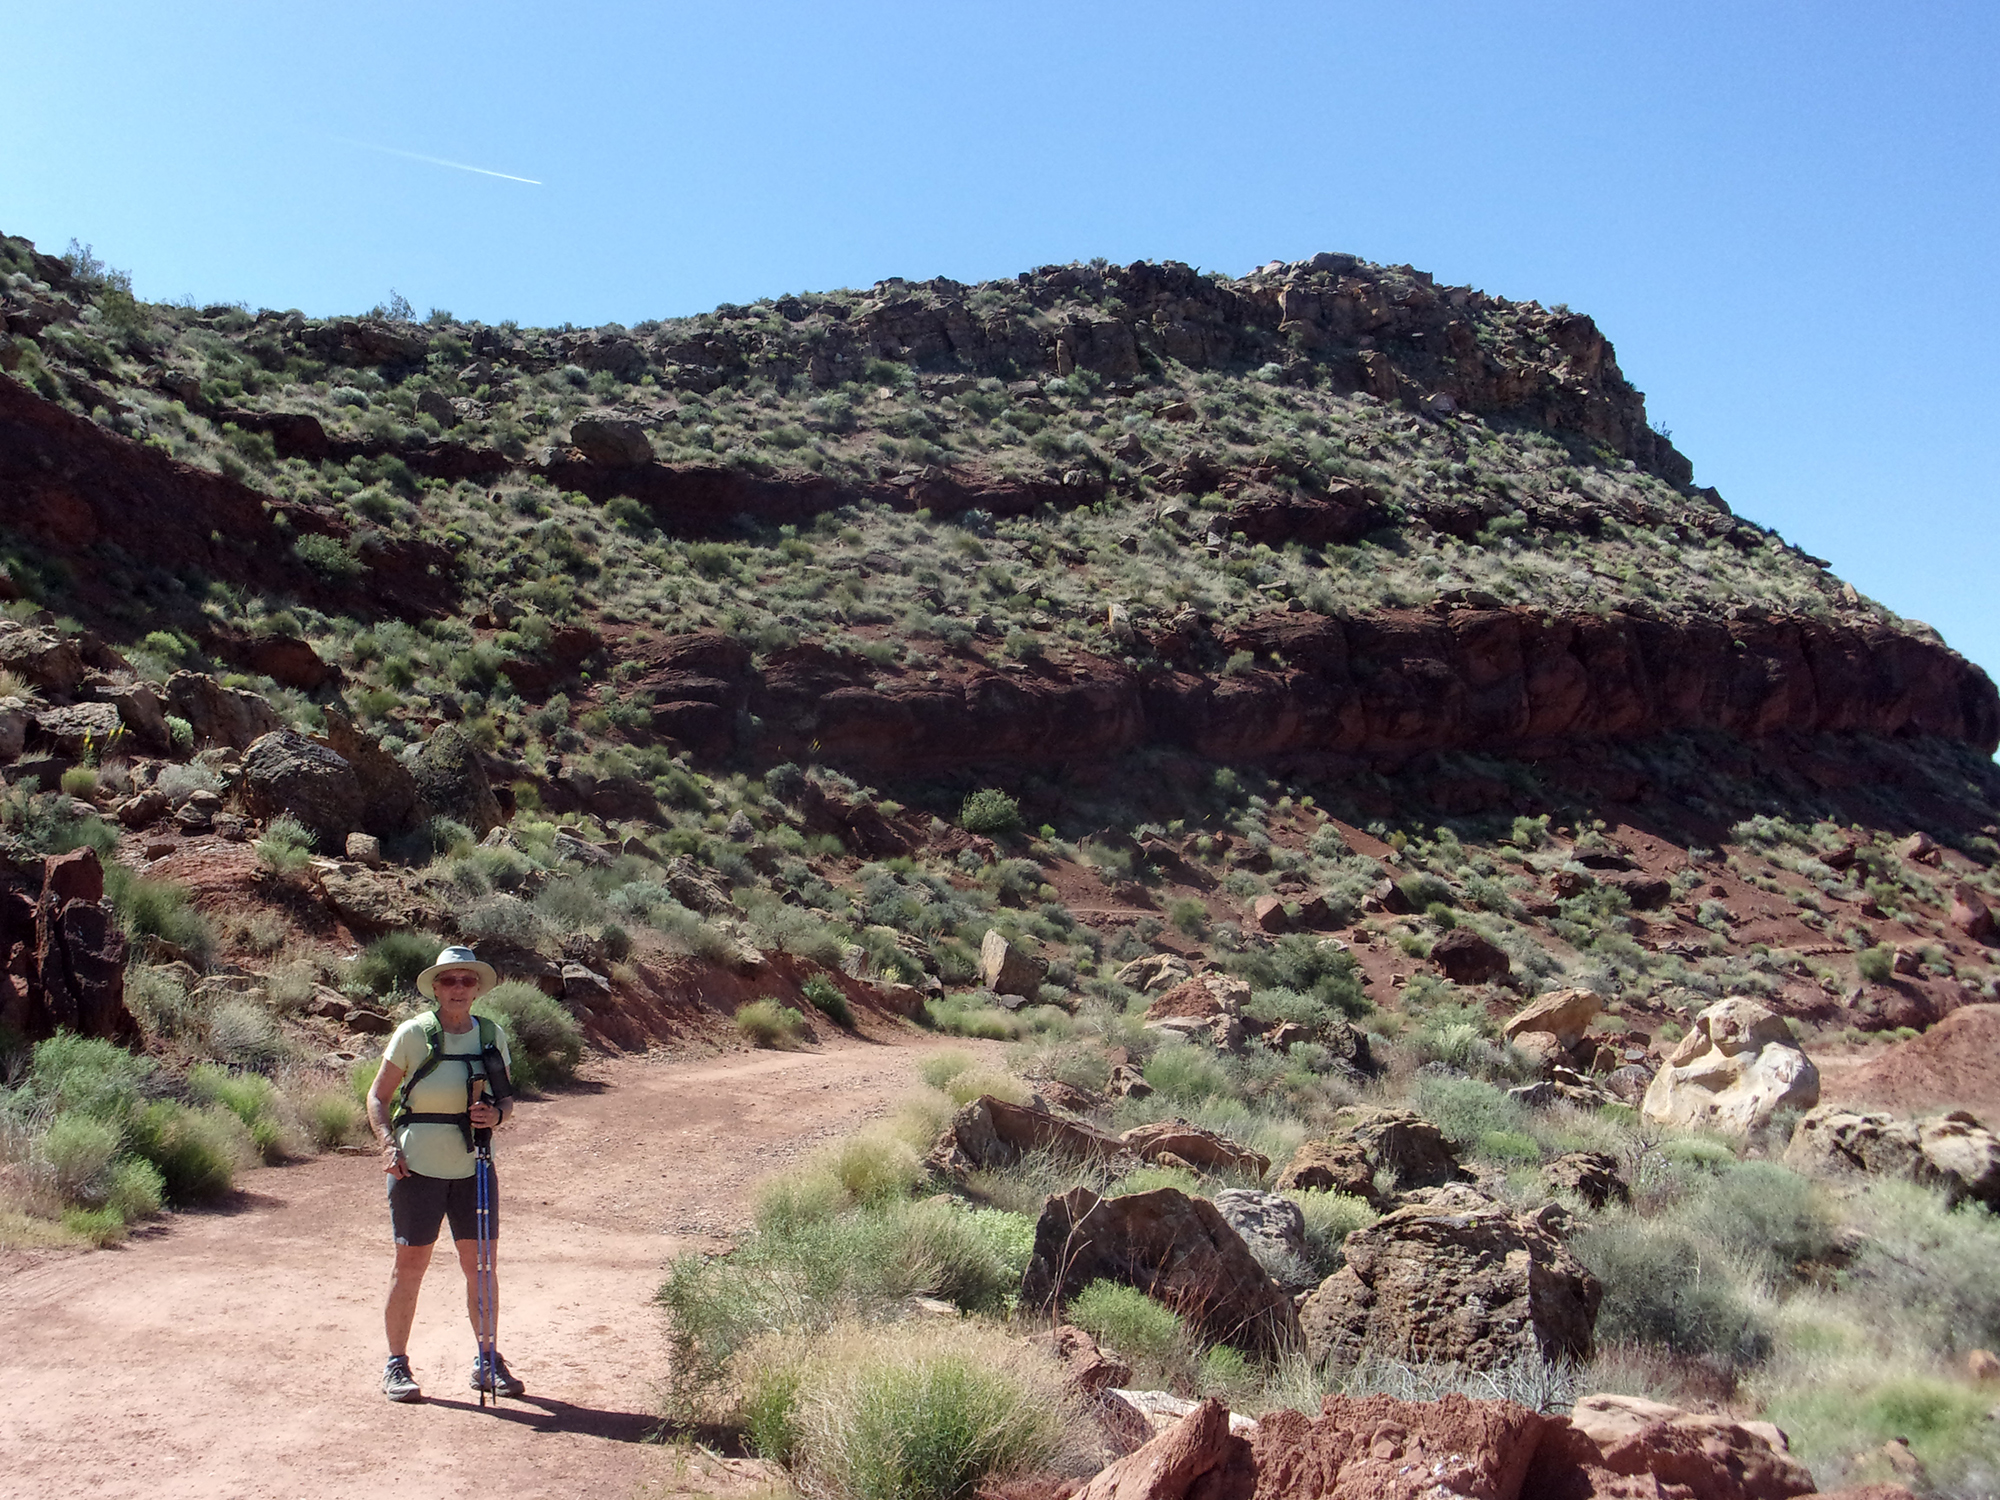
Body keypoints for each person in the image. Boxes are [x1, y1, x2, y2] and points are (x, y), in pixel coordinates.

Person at [366, 944, 524, 1403]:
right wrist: (387, 1145)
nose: (458, 988)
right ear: (435, 987)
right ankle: (396, 1363)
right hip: (415, 1169)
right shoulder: (414, 1034)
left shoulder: (492, 1035)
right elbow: (378, 1098)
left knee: (481, 1266)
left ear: (477, 989)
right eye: (449, 980)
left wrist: (496, 1118)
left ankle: (487, 1359)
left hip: (473, 1167)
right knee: (410, 1266)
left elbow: (507, 1099)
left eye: (467, 981)